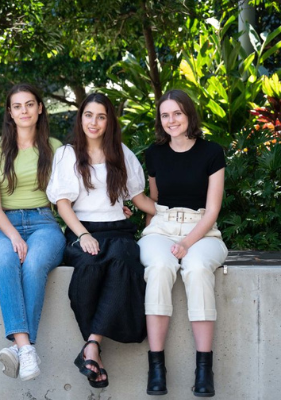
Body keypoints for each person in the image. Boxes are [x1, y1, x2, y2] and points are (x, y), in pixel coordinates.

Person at [47, 93, 155, 388]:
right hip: (81, 228)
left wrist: (171, 213)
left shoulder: (122, 153)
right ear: (80, 117)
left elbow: (138, 198)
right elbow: (63, 204)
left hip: (118, 229)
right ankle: (93, 348)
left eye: (101, 116)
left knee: (123, 260)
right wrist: (83, 234)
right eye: (88, 115)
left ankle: (92, 345)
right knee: (89, 266)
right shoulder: (68, 154)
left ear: (109, 122)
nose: (93, 122)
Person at [139, 89, 227, 397]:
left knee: (197, 268)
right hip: (162, 227)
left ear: (189, 114)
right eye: (165, 115)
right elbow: (155, 200)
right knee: (161, 266)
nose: (171, 120)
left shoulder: (212, 152)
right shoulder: (154, 153)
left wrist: (187, 243)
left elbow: (213, 209)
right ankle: (156, 369)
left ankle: (204, 370)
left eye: (177, 113)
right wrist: (133, 211)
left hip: (202, 229)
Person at [0, 83, 65, 381]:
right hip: (4, 225)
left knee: (33, 263)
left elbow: (71, 194)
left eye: (30, 104)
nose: (24, 111)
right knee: (5, 261)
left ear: (40, 108)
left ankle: (20, 348)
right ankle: (26, 348)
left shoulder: (55, 148)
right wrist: (14, 235)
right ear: (10, 113)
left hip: (44, 223)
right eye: (17, 106)